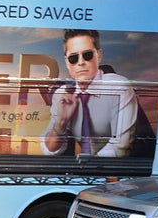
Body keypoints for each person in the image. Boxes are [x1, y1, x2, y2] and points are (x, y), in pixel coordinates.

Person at [41, 29, 139, 158]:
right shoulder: (62, 94)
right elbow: (50, 150)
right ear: (67, 63)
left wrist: (87, 172)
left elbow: (120, 147)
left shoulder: (118, 87)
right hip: (88, 168)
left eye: (87, 55)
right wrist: (61, 121)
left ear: (99, 55)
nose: (81, 62)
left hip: (120, 170)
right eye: (73, 58)